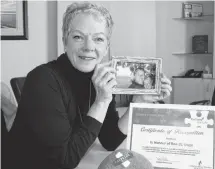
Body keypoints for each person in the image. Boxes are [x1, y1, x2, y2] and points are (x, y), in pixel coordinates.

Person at [9, 2, 172, 169]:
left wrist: (138, 101)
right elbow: (64, 161)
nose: (88, 47)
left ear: (106, 46)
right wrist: (101, 102)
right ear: (65, 41)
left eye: (98, 39)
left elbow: (110, 140)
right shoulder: (42, 79)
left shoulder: (97, 78)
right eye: (78, 37)